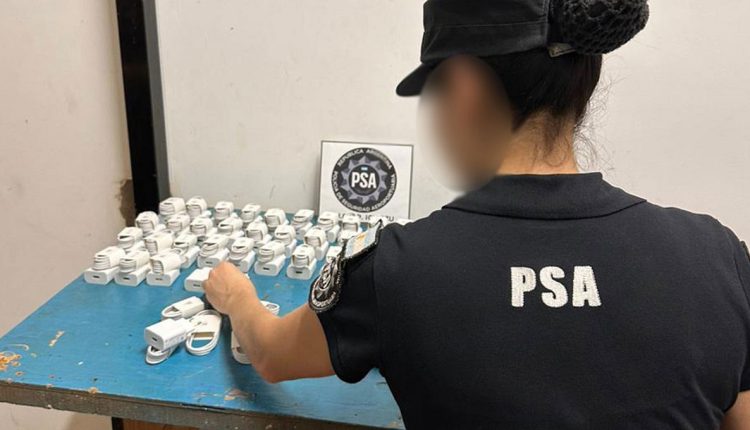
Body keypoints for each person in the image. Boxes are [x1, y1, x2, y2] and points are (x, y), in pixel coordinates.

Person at [205, 0, 750, 428]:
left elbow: (273, 357)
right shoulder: (719, 258)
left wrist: (236, 295)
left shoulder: (397, 270)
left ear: (464, 87)